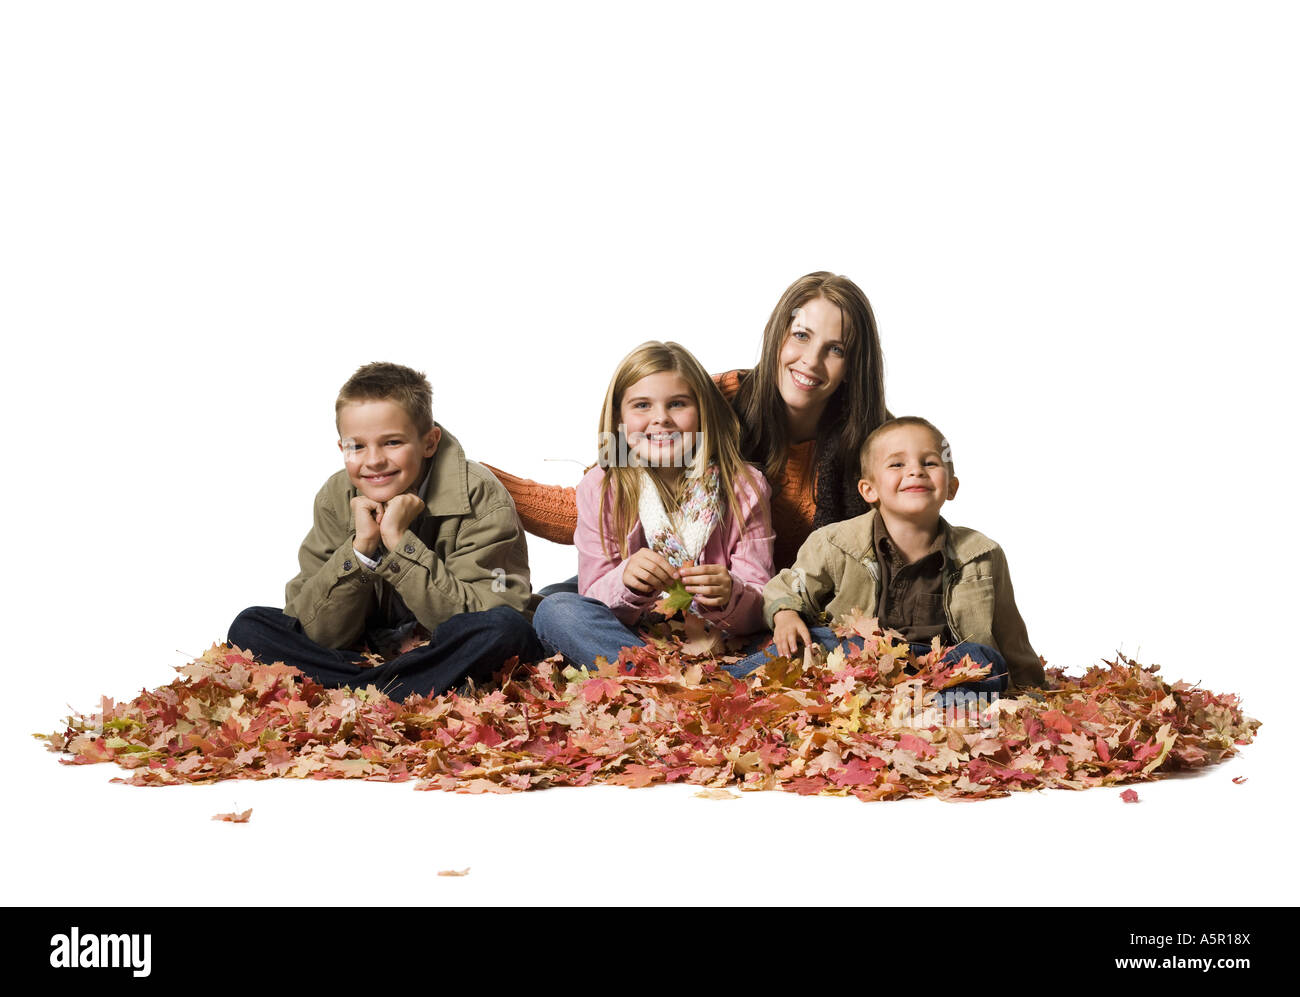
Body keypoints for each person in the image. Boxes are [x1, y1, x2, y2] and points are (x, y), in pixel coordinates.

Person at [485, 271, 887, 575]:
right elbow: (606, 500)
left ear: (854, 365)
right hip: (665, 593)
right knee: (562, 607)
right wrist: (480, 483)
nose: (811, 361)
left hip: (773, 607)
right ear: (776, 335)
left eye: (835, 349)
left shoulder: (880, 442)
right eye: (801, 335)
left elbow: (906, 538)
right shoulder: (707, 401)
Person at [228, 362, 542, 700]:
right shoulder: (336, 497)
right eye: (357, 446)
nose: (373, 460)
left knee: (505, 630)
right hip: (371, 649)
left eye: (392, 442)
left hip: (443, 645)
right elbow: (313, 629)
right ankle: (395, 684)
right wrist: (361, 549)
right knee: (250, 625)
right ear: (341, 449)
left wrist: (399, 544)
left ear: (429, 442)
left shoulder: (479, 494)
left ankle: (355, 685)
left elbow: (494, 610)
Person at [727, 417, 1046, 699]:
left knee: (985, 661)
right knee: (817, 640)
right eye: (897, 465)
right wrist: (785, 615)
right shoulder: (835, 542)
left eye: (930, 463)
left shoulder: (981, 555)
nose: (915, 471)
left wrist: (1031, 688)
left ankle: (920, 709)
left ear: (951, 487)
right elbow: (786, 587)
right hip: (858, 659)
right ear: (869, 490)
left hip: (939, 668)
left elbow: (1010, 632)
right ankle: (729, 685)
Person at [531, 342, 774, 670]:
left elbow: (761, 600)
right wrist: (626, 581)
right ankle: (661, 678)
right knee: (555, 609)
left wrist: (732, 592)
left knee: (812, 635)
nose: (660, 419)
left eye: (677, 403)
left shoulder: (744, 487)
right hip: (632, 639)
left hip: (720, 641)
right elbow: (593, 594)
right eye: (642, 405)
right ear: (619, 418)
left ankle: (691, 682)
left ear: (702, 411)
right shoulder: (602, 487)